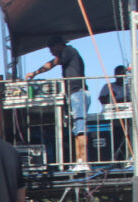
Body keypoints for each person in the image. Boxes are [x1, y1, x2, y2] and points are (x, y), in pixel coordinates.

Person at [26, 35, 90, 173]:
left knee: (80, 128)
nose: (52, 52)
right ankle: (80, 161)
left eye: (52, 49)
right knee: (76, 128)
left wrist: (35, 73)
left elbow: (53, 62)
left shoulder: (68, 50)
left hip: (78, 92)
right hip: (75, 93)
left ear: (58, 45)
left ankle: (83, 161)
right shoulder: (68, 53)